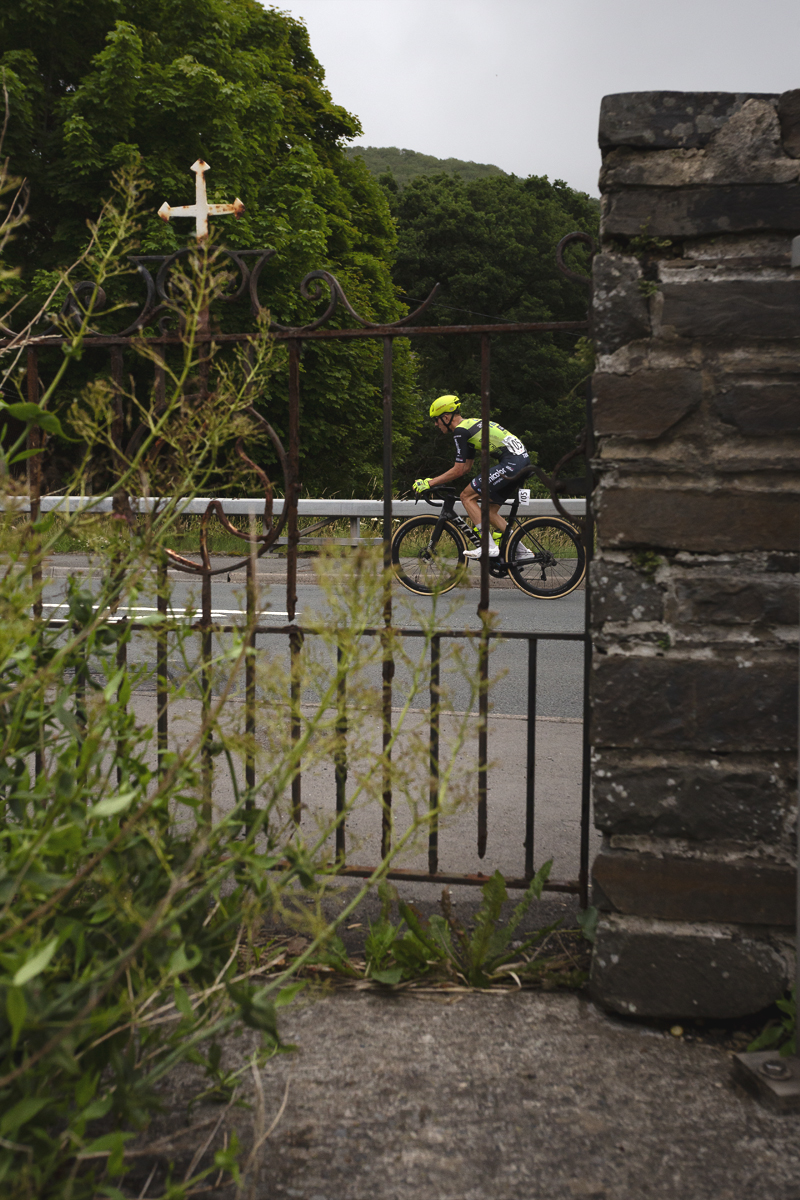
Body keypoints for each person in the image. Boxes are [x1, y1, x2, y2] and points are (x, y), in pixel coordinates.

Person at [413, 394, 533, 559]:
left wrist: (430, 483)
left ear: (446, 417)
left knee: (466, 496)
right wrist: (433, 481)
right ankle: (522, 551)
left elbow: (459, 470)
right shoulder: (469, 426)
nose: (435, 424)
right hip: (521, 462)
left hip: (512, 463)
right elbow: (466, 467)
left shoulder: (460, 431)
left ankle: (488, 546)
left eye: (436, 420)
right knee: (489, 512)